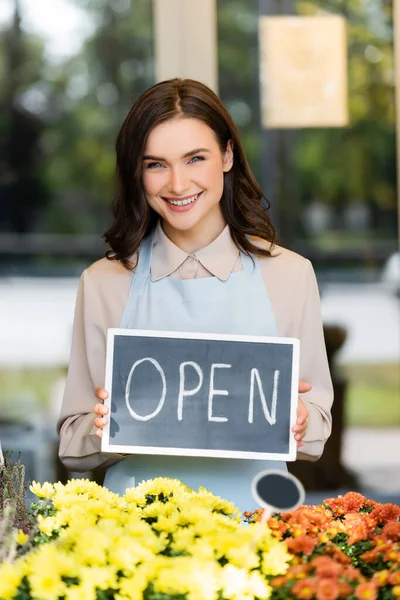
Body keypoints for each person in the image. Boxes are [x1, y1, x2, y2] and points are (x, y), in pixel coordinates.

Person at [58, 78, 333, 512]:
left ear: (227, 156)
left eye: (195, 158)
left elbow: (316, 431)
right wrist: (105, 429)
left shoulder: (291, 275)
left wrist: (298, 422)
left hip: (256, 527)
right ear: (137, 171)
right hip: (132, 535)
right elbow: (72, 446)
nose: (178, 183)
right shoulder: (103, 282)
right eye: (156, 164)